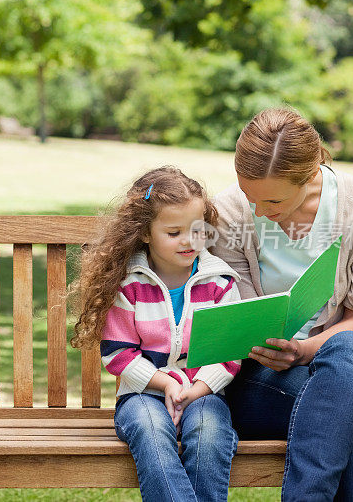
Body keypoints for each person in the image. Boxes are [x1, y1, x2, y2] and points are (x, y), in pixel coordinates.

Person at [211, 107, 353, 501]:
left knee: (349, 347)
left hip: (352, 365)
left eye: (273, 201)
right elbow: (240, 319)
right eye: (250, 196)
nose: (258, 211)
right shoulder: (231, 212)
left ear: (309, 175)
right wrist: (264, 345)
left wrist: (303, 349)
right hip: (263, 379)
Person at [71, 166, 242, 502]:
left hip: (204, 394)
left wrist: (195, 390)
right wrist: (166, 384)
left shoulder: (219, 283)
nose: (189, 241)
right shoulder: (130, 285)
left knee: (209, 434)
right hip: (141, 395)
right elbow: (118, 353)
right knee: (151, 429)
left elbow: (230, 352)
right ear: (146, 233)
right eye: (174, 232)